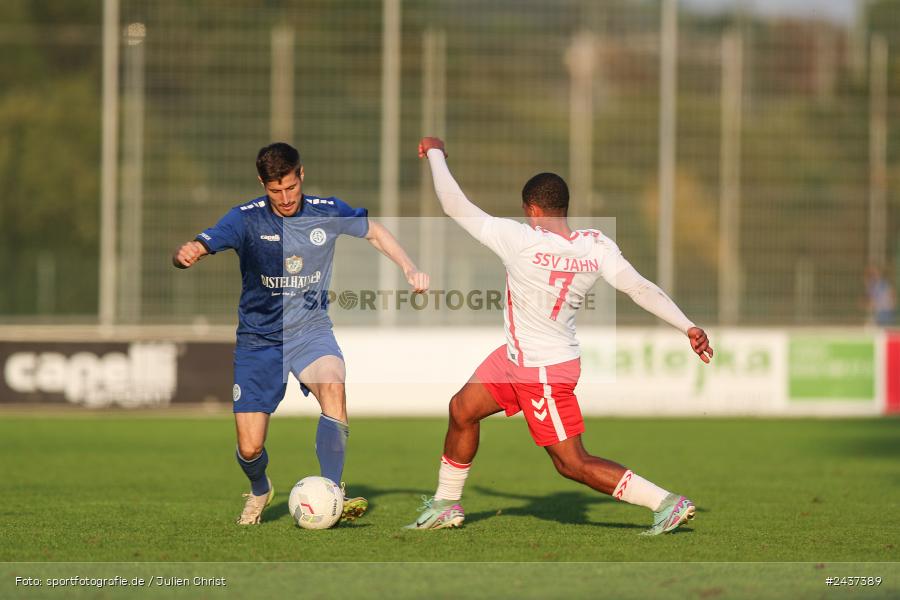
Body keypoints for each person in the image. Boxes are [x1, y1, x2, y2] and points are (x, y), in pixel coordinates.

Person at [406, 137, 713, 535]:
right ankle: (446, 504)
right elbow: (640, 288)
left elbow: (453, 204)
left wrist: (434, 152)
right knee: (462, 409)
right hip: (515, 358)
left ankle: (666, 503)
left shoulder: (519, 240)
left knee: (571, 463)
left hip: (542, 371)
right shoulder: (595, 245)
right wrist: (687, 325)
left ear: (532, 210)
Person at [173, 142, 429, 525]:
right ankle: (260, 488)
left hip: (310, 332)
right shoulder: (244, 219)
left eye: (291, 187)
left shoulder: (327, 211)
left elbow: (374, 231)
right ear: (262, 184)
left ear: (301, 175)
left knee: (333, 385)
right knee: (250, 447)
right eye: (275, 190)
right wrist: (189, 252)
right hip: (259, 341)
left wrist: (409, 267)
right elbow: (201, 243)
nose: (286, 197)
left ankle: (333, 490)